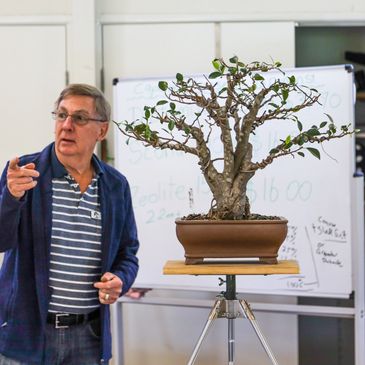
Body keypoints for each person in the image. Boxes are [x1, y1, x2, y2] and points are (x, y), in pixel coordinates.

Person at [0, 84, 139, 365]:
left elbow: (128, 253)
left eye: (79, 118)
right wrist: (10, 198)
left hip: (88, 336)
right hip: (27, 335)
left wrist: (120, 280)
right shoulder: (25, 174)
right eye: (61, 115)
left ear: (101, 130)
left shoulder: (115, 185)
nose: (66, 126)